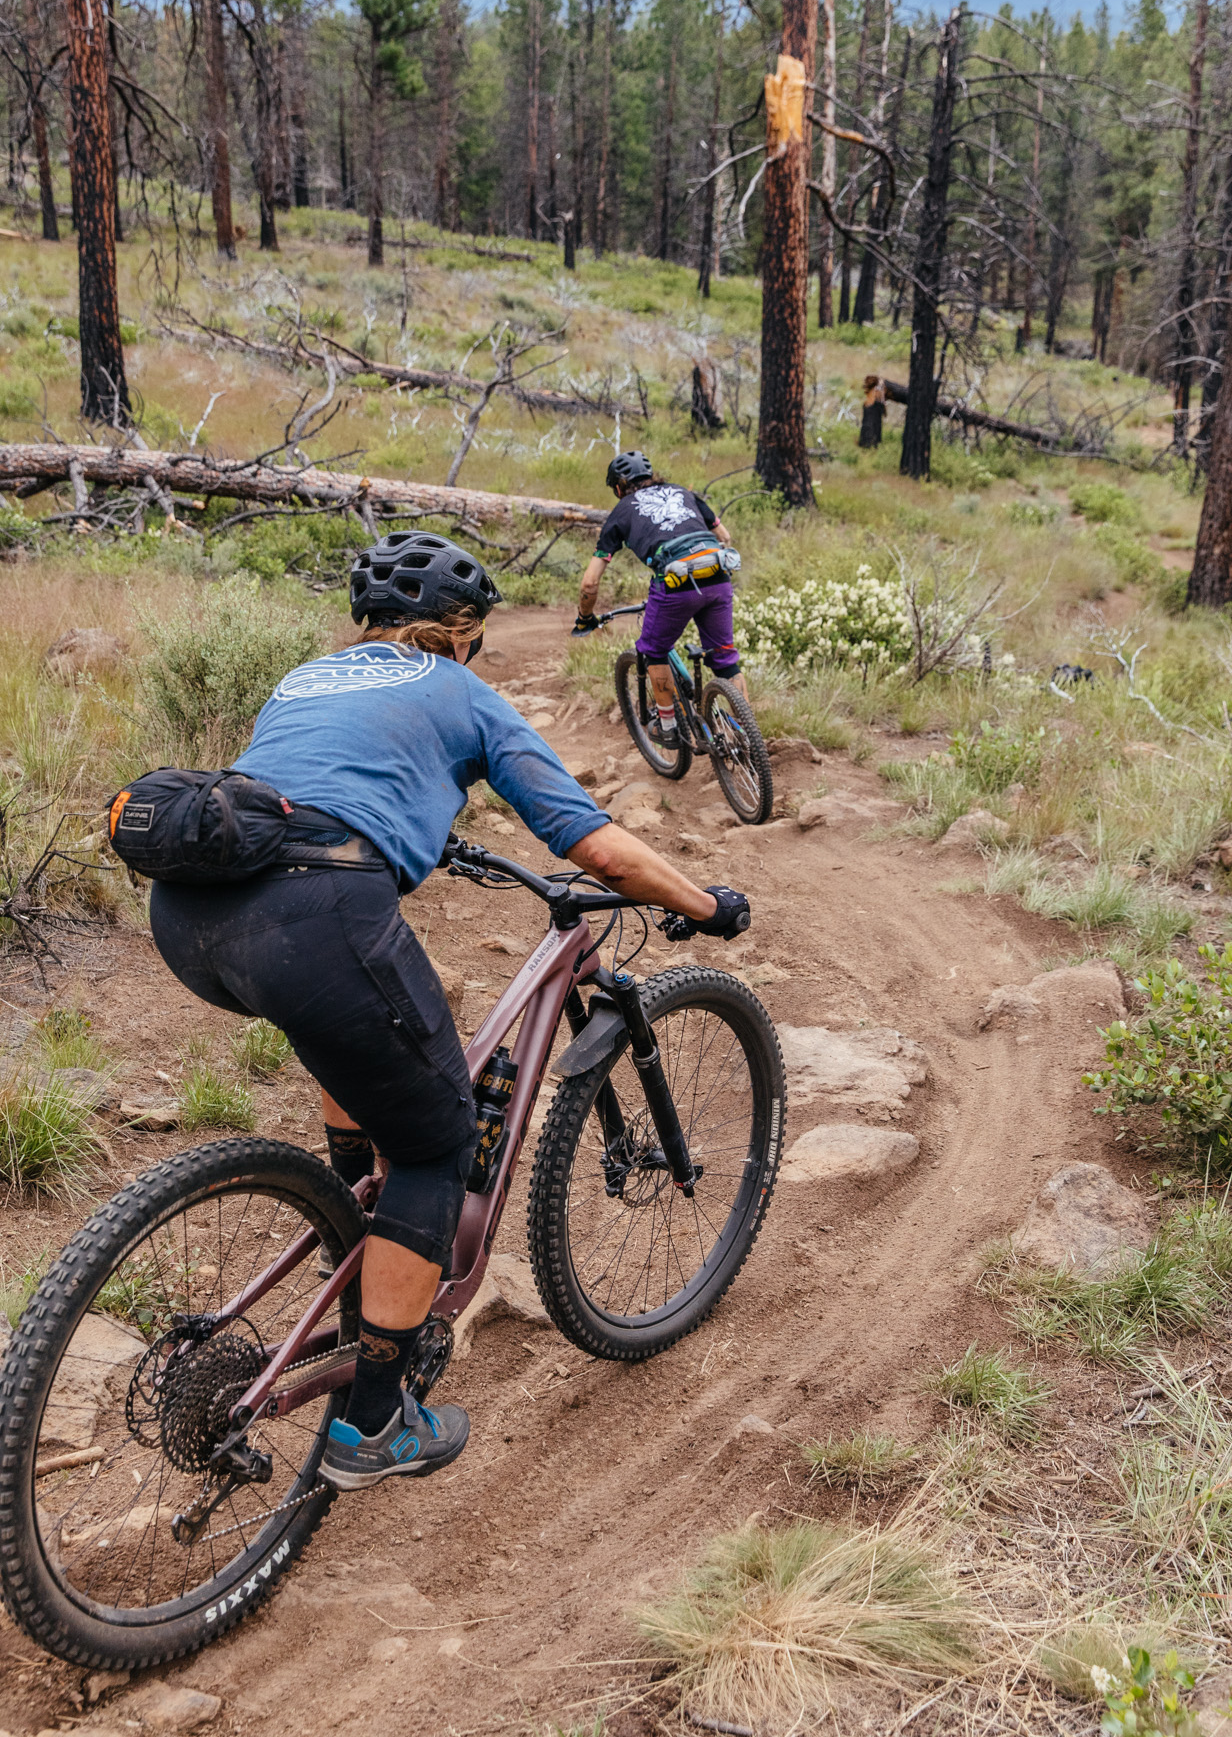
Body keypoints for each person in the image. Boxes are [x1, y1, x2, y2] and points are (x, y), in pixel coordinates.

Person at [148, 530, 749, 1491]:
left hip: (190, 919)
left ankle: (352, 1211)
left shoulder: (309, 677)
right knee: (437, 1143)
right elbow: (591, 844)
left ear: (367, 624)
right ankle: (375, 1423)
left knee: (342, 1030)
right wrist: (706, 906)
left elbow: (324, 786)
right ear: (462, 634)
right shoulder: (460, 689)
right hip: (314, 916)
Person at [573, 452, 741, 748]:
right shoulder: (683, 492)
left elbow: (589, 582)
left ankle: (668, 726)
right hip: (718, 574)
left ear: (619, 487)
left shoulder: (623, 510)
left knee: (653, 650)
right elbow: (724, 536)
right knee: (725, 659)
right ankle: (744, 732)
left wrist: (585, 617)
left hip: (675, 584)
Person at [858, 374, 885, 449]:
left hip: (866, 428)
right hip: (873, 429)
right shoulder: (877, 394)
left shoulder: (870, 395)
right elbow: (883, 406)